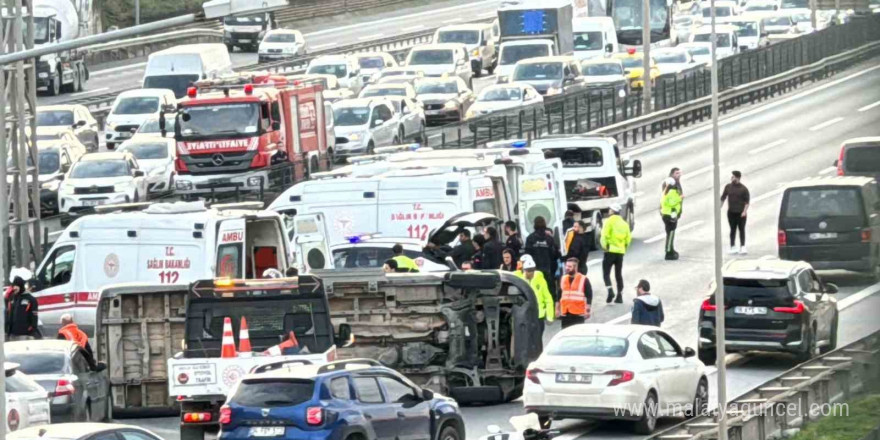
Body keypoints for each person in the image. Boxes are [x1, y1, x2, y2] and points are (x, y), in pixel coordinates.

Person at [600, 204, 631, 304]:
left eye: (610, 209)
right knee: (618, 274)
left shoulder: (609, 221)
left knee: (606, 273)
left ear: (612, 211)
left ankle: (610, 291)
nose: (609, 211)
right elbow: (628, 239)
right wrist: (624, 248)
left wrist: (605, 247)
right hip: (620, 253)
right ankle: (619, 296)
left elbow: (604, 236)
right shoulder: (624, 223)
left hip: (610, 251)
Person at [525, 216, 561, 302]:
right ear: (545, 224)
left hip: (535, 271)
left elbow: (527, 255)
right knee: (550, 292)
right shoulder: (549, 239)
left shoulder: (530, 238)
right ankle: (551, 311)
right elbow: (555, 254)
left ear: (534, 224)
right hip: (548, 270)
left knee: (536, 292)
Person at [517, 255, 554, 334]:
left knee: (537, 342)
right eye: (528, 270)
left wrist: (549, 316)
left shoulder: (540, 279)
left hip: (538, 317)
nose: (530, 273)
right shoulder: (519, 279)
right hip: (524, 317)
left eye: (532, 270)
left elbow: (548, 298)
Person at [721, 170, 750, 254]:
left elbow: (747, 202)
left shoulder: (743, 189)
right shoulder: (728, 187)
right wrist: (719, 207)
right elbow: (723, 198)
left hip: (741, 213)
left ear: (737, 178)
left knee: (741, 229)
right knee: (732, 229)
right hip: (731, 212)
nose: (731, 178)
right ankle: (732, 246)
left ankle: (743, 246)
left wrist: (744, 211)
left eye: (733, 177)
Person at [558, 258, 591, 329]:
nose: (567, 268)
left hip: (578, 313)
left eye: (570, 267)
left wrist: (588, 310)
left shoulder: (583, 279)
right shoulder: (563, 278)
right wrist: (557, 309)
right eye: (566, 266)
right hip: (565, 312)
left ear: (575, 267)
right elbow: (559, 294)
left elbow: (589, 295)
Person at [5, 276, 40, 340]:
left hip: (25, 334)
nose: (14, 288)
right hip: (12, 333)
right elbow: (8, 314)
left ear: (21, 286)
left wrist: (31, 328)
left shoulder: (30, 299)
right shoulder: (12, 298)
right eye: (13, 286)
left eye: (16, 286)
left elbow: (34, 316)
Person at [661, 177, 683, 261]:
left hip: (666, 214)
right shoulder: (672, 192)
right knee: (671, 234)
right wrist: (679, 198)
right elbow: (671, 202)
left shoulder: (665, 192)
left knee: (669, 233)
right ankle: (669, 252)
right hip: (671, 215)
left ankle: (671, 249)